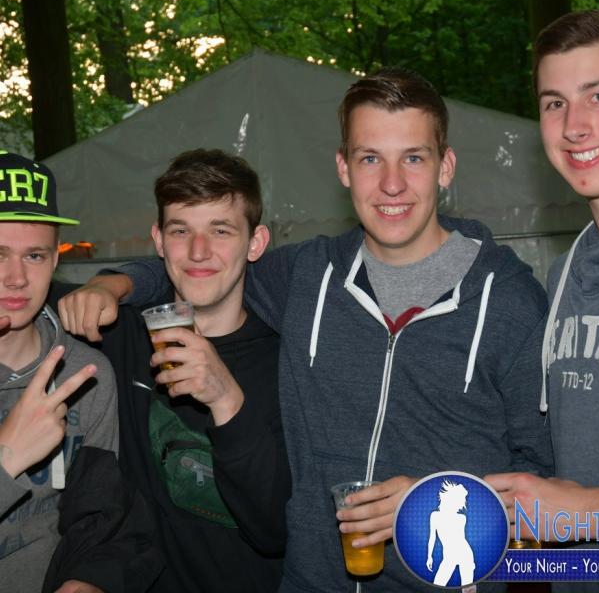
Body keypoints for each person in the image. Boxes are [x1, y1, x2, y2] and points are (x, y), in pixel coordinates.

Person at [59, 69, 553, 592]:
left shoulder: (509, 302)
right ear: (343, 168)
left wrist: (435, 503)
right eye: (370, 159)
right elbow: (202, 264)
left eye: (413, 158)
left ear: (445, 166)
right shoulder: (308, 275)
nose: (392, 183)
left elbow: (545, 482)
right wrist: (113, 283)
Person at [53, 149, 289, 593]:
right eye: (181, 230)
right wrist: (104, 283)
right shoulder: (118, 332)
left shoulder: (286, 362)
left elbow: (274, 531)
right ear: (159, 241)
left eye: (221, 230)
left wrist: (226, 399)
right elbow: (22, 290)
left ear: (256, 243)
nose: (198, 251)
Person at [484, 9, 599, 589]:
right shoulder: (566, 272)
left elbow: (578, 509)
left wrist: (584, 513)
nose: (574, 125)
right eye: (555, 103)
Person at [0, 151, 160, 593]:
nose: (16, 278)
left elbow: (98, 518)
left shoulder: (86, 373)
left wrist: (89, 578)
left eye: (34, 255)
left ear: (55, 259)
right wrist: (7, 458)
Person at [426, 480, 475, 587]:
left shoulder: (462, 518)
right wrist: (429, 556)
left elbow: (461, 539)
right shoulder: (435, 516)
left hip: (465, 554)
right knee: (438, 584)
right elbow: (432, 537)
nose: (462, 503)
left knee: (468, 588)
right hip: (449, 556)